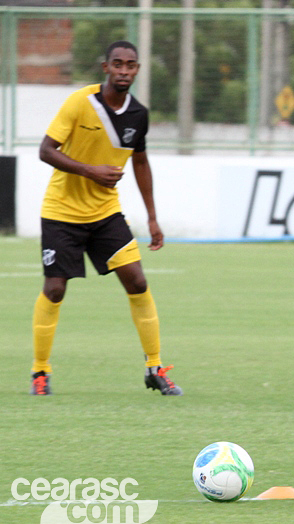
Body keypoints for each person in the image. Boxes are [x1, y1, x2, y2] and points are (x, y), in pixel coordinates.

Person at [30, 41, 181, 396]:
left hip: (105, 213)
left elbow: (140, 161)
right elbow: (45, 150)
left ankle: (154, 368)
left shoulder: (138, 115)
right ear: (106, 68)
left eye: (130, 65)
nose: (124, 70)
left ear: (137, 70)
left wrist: (153, 218)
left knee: (138, 282)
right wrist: (89, 171)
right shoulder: (80, 103)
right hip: (61, 212)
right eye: (118, 64)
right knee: (54, 290)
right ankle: (40, 372)